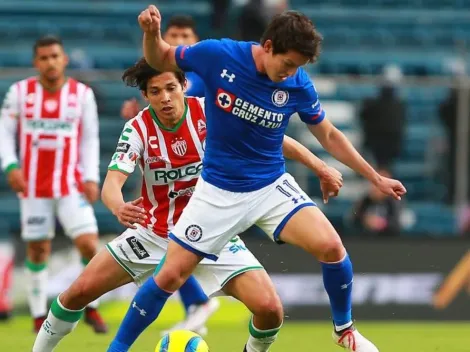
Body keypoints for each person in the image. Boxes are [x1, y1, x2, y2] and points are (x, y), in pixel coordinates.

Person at [108, 7, 408, 352]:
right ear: (267, 46)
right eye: (288, 63)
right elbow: (160, 56)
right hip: (218, 191)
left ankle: (345, 331)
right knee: (169, 276)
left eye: (298, 67)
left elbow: (327, 134)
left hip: (270, 186)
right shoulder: (218, 55)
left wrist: (374, 177)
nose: (291, 73)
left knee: (331, 247)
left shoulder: (296, 83)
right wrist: (151, 33)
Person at [31, 59, 343, 352]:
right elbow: (111, 184)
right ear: (145, 95)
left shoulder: (212, 112)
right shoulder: (137, 129)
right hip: (155, 233)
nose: (165, 97)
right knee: (76, 294)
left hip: (214, 233)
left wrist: (320, 166)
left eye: (170, 88)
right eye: (155, 91)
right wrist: (118, 206)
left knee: (270, 310)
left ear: (183, 85)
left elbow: (273, 139)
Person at [0, 36, 107, 333]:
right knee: (37, 250)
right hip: (33, 186)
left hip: (71, 185)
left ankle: (92, 307)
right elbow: (4, 133)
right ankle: (38, 315)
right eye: (44, 57)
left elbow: (89, 138)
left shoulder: (81, 95)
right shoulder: (19, 93)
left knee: (88, 243)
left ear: (64, 59)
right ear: (36, 62)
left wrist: (91, 177)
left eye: (55, 56)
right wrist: (10, 165)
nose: (50, 62)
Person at [122, 15, 220, 335]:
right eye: (172, 35)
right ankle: (195, 302)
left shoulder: (200, 78)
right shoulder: (161, 74)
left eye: (184, 36)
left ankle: (198, 301)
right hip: (165, 172)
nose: (177, 41)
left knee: (174, 241)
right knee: (166, 236)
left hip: (204, 184)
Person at [121, 15, 204, 119]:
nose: (179, 42)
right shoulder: (150, 70)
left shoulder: (206, 71)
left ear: (196, 40)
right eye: (174, 35)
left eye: (185, 36)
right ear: (164, 38)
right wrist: (136, 111)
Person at [349, 169, 402, 237]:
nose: (376, 188)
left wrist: (381, 223)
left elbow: (397, 224)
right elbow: (353, 221)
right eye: (375, 183)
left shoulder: (394, 201)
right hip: (365, 240)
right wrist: (365, 221)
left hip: (389, 241)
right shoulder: (365, 200)